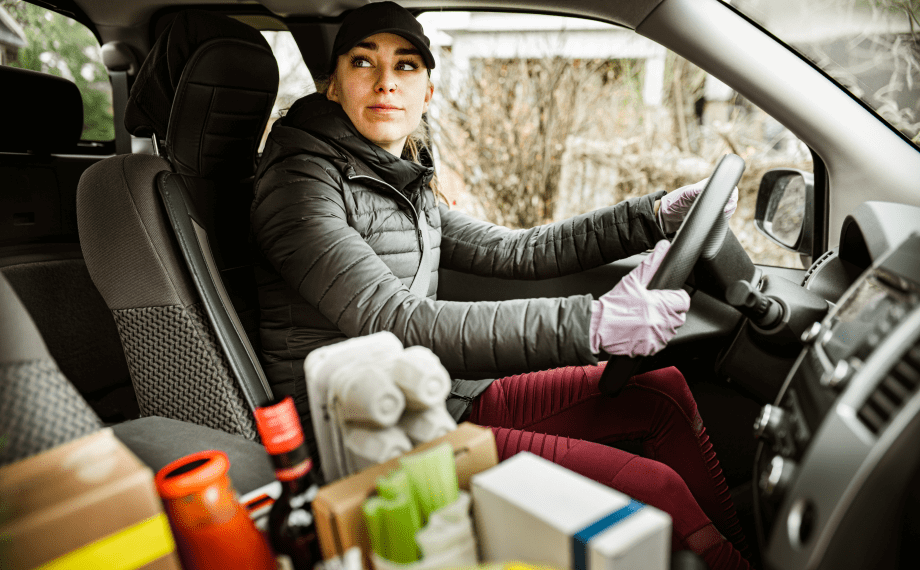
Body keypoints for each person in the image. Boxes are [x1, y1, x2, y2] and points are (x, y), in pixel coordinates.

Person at [250, 3, 748, 568]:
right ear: (333, 85)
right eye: (364, 62)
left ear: (428, 92)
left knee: (664, 393)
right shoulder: (297, 184)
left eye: (407, 65)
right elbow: (399, 319)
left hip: (436, 394)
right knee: (652, 488)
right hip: (374, 431)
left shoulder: (397, 176)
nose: (387, 81)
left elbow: (513, 249)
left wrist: (651, 217)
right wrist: (594, 324)